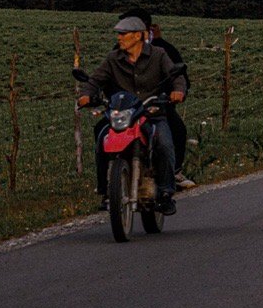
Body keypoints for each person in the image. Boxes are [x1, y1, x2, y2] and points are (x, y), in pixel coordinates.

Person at [79, 14, 187, 214]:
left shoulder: (159, 54)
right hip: (123, 113)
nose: (119, 38)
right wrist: (86, 94)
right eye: (119, 34)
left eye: (123, 34)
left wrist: (178, 91)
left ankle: (165, 192)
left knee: (163, 141)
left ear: (137, 36)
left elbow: (176, 75)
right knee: (102, 138)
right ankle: (105, 191)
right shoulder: (113, 59)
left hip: (151, 112)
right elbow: (94, 80)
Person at [137, 12, 197, 191]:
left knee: (176, 130)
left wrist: (177, 92)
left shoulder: (162, 50)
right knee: (102, 130)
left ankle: (174, 172)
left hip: (156, 103)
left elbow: (179, 76)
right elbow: (104, 77)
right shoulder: (118, 52)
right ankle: (110, 181)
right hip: (128, 106)